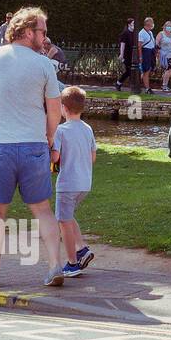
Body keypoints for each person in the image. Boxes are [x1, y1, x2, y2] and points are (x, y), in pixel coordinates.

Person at [0, 7, 67, 287]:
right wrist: (50, 136)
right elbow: (55, 108)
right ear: (28, 31)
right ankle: (55, 265)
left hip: (0, 147)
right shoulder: (44, 64)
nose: (45, 38)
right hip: (33, 145)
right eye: (42, 31)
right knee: (43, 209)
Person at [51, 86, 98, 278]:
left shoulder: (60, 131)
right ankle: (82, 249)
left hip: (67, 183)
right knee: (68, 217)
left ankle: (72, 263)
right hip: (84, 183)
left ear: (63, 108)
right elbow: (92, 157)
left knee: (63, 221)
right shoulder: (87, 129)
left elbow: (55, 157)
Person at [156, 21, 171, 93]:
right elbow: (156, 42)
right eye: (168, 26)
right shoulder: (161, 34)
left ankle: (165, 85)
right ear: (164, 26)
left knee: (170, 71)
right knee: (168, 70)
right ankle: (164, 86)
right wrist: (158, 49)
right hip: (165, 55)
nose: (169, 27)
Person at [115, 18, 136, 91]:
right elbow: (122, 44)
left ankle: (119, 83)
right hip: (126, 55)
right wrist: (121, 54)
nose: (134, 25)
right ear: (129, 24)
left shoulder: (134, 33)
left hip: (132, 55)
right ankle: (132, 86)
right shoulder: (125, 33)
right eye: (133, 23)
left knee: (129, 71)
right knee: (129, 70)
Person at [137, 17, 157, 92]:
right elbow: (139, 46)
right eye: (152, 22)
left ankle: (141, 84)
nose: (152, 24)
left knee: (150, 69)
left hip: (151, 52)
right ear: (148, 24)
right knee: (146, 70)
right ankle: (147, 88)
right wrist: (141, 56)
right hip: (146, 52)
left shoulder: (150, 32)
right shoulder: (142, 33)